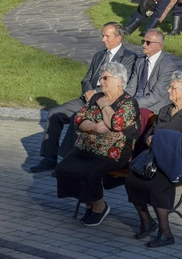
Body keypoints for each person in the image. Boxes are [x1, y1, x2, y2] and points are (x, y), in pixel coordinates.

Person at [30, 23, 138, 173]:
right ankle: (49, 158)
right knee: (55, 113)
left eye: (107, 36)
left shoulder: (128, 57)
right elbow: (86, 79)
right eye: (102, 35)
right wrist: (88, 91)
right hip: (87, 97)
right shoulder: (99, 55)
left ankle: (68, 162)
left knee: (77, 118)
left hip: (104, 100)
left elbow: (120, 83)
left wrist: (96, 94)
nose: (103, 39)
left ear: (118, 37)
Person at [54, 62, 140, 226]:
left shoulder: (128, 103)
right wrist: (94, 126)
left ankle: (99, 207)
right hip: (85, 147)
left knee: (89, 172)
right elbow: (79, 120)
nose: (101, 82)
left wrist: (104, 105)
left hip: (113, 152)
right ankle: (89, 203)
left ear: (119, 81)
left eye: (106, 78)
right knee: (63, 169)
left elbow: (116, 124)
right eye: (101, 78)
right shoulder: (95, 97)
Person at [125, 71, 182, 248]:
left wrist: (157, 140)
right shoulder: (165, 110)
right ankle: (147, 222)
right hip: (157, 160)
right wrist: (150, 139)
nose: (168, 91)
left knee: (157, 185)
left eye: (173, 88)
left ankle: (166, 233)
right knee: (131, 180)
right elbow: (150, 135)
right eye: (169, 87)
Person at [127, 29, 177, 113]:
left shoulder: (167, 66)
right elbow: (131, 87)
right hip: (135, 105)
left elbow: (156, 95)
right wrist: (122, 100)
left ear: (159, 46)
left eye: (148, 43)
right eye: (143, 41)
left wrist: (132, 105)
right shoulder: (140, 62)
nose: (144, 45)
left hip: (154, 109)